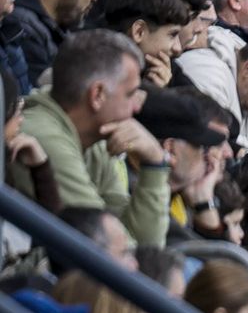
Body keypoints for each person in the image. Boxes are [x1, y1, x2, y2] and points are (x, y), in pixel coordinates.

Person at [9, 31, 169, 246]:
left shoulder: (95, 137)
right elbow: (110, 251)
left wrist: (155, 162)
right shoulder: (45, 139)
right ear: (97, 95)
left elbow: (143, 244)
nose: (137, 106)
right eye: (130, 94)